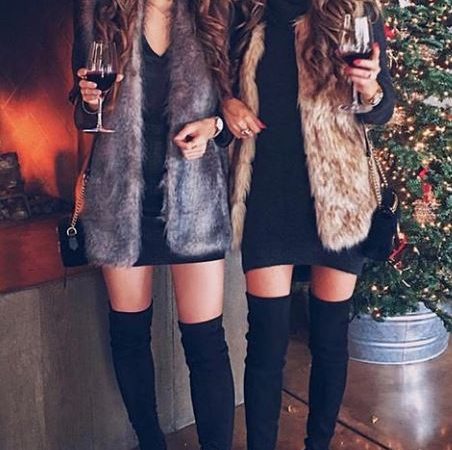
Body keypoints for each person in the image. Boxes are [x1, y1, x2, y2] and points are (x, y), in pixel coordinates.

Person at [223, 0, 395, 449]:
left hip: (339, 195)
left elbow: (383, 109)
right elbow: (217, 81)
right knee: (266, 342)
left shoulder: (356, 12)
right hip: (267, 194)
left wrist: (370, 88)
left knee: (330, 339)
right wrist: (227, 102)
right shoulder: (248, 13)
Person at [70, 1, 234, 449]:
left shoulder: (214, 12)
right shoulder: (98, 12)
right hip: (120, 197)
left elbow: (238, 107)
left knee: (206, 342)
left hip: (195, 194)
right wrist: (89, 102)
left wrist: (213, 127)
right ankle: (150, 442)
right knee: (129, 335)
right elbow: (83, 114)